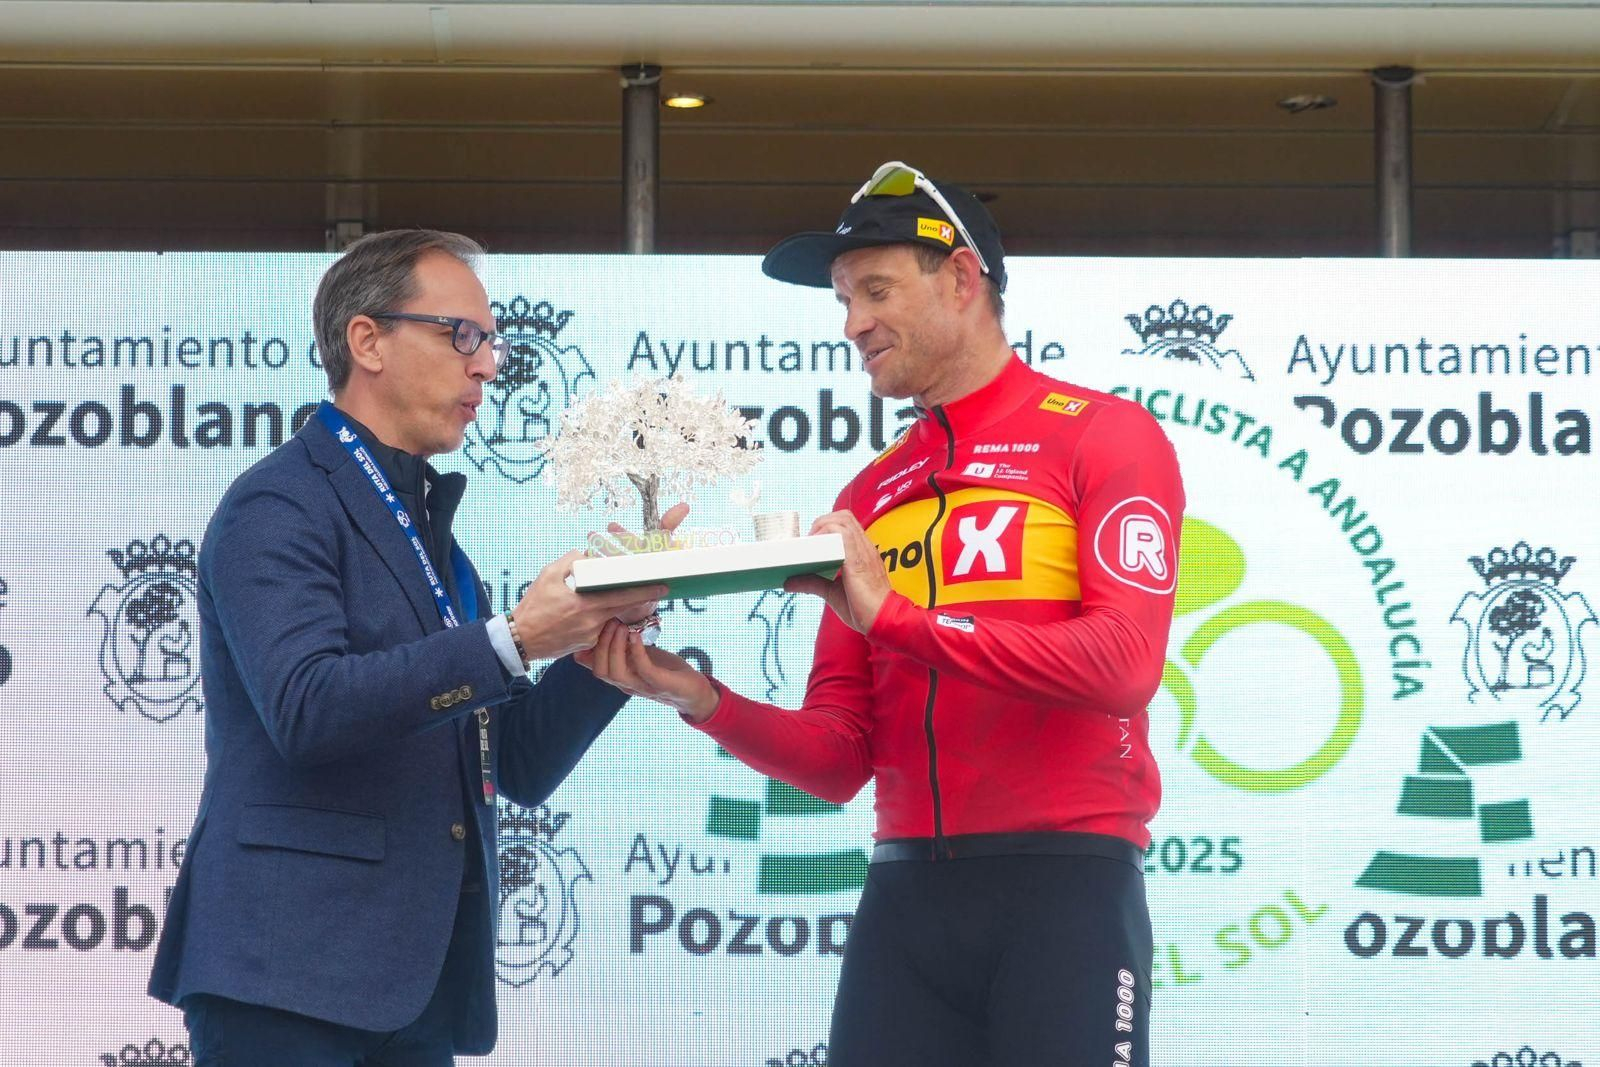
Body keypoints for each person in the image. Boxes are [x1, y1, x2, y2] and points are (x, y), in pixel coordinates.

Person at [586, 162, 1185, 1066]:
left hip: (1066, 888)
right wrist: (696, 696)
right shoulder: (871, 490)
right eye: (841, 299)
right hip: (905, 899)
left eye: (875, 290)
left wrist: (897, 617)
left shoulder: (1100, 434)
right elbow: (839, 756)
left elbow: (1123, 664)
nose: (854, 323)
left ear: (961, 278)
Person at [148, 229, 672, 1064]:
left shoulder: (429, 533)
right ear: (368, 340)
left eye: (490, 340)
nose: (489, 365)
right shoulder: (276, 505)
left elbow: (517, 764)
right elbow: (308, 708)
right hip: (286, 977)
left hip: (416, 987)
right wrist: (511, 639)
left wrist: (605, 634)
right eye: (461, 334)